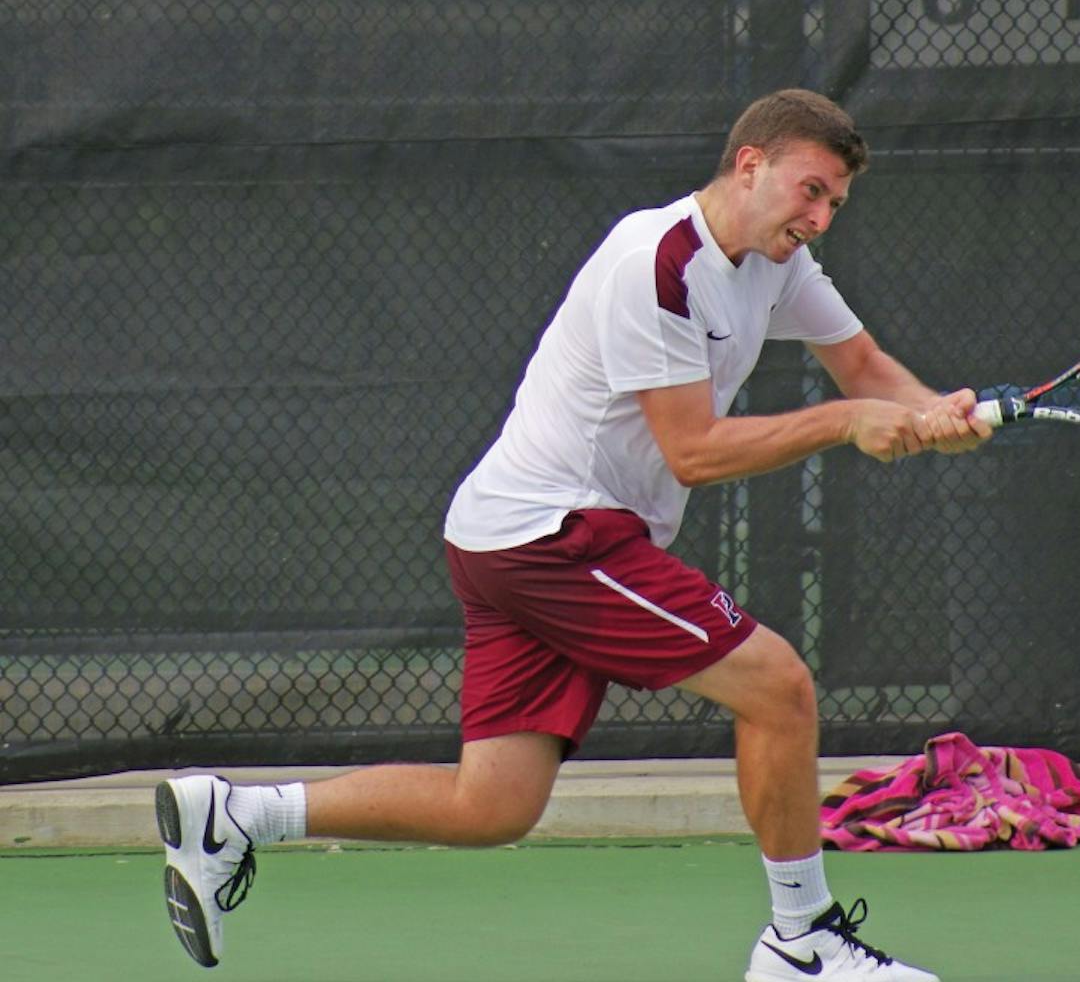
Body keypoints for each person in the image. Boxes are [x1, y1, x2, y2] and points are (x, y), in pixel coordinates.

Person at [156, 88, 992, 982]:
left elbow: (862, 364)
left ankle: (236, 815)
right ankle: (802, 943)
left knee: (495, 804)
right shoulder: (658, 263)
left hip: (508, 536)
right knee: (779, 687)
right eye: (811, 191)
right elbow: (696, 451)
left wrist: (939, 409)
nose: (820, 217)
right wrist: (846, 422)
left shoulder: (777, 263)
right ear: (751, 166)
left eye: (835, 204)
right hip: (551, 535)